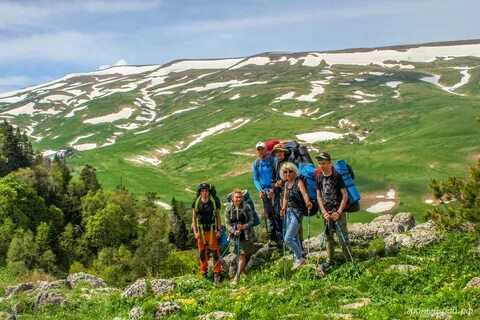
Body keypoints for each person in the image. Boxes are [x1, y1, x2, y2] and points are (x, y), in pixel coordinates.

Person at [315, 152, 351, 268]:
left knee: (342, 238)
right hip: (326, 214)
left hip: (338, 212)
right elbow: (319, 196)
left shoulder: (337, 176)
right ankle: (330, 260)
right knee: (328, 238)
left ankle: (349, 260)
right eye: (320, 163)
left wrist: (339, 212)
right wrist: (324, 212)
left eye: (324, 163)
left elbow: (345, 195)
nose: (322, 166)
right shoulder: (319, 177)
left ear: (330, 163)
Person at [280, 162, 313, 270]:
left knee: (287, 239)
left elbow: (304, 194)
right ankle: (300, 256)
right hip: (288, 212)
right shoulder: (286, 184)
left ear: (295, 172)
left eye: (290, 171)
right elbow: (285, 198)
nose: (288, 174)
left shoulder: (298, 182)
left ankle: (299, 258)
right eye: (285, 172)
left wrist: (308, 202)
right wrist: (283, 208)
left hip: (297, 213)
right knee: (294, 237)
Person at [191, 183, 222, 283]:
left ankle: (217, 273)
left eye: (206, 191)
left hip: (212, 230)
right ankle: (203, 272)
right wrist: (195, 232)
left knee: (215, 252)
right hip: (200, 231)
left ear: (209, 192)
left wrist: (219, 230)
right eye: (203, 191)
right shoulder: (196, 202)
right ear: (200, 192)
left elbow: (218, 216)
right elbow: (194, 219)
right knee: (202, 253)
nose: (205, 193)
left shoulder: (213, 202)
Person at [225, 189, 257, 284]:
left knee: (242, 255)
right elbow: (227, 224)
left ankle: (236, 278)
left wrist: (243, 226)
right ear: (232, 198)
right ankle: (242, 272)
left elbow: (251, 221)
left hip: (246, 235)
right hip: (234, 236)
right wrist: (233, 231)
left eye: (240, 197)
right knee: (238, 255)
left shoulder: (246, 207)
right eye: (236, 197)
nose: (238, 199)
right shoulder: (228, 208)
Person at [252, 141, 277, 245]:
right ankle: (272, 236)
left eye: (262, 149)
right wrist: (260, 190)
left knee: (277, 211)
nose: (260, 151)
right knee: (268, 213)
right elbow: (255, 179)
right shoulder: (256, 163)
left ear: (266, 150)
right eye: (258, 150)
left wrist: (273, 189)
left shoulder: (272, 160)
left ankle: (280, 233)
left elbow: (276, 174)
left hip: (274, 190)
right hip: (264, 192)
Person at [272, 144, 289, 246]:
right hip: (279, 193)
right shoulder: (277, 163)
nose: (278, 153)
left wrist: (281, 182)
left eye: (280, 151)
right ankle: (284, 240)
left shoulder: (288, 163)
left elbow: (292, 176)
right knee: (279, 214)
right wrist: (275, 184)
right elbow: (273, 178)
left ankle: (289, 240)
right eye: (277, 152)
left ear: (284, 152)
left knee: (287, 215)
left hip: (287, 193)